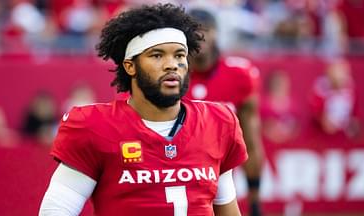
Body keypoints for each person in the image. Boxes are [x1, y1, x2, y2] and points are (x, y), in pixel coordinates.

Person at [39, 3, 248, 216]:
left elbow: (227, 209)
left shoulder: (218, 122)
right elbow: (56, 210)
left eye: (179, 55)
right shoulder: (95, 127)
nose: (171, 65)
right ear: (130, 66)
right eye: (157, 55)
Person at [186, 8, 263, 216]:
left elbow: (251, 141)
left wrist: (255, 202)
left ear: (216, 33)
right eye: (193, 30)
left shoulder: (240, 74)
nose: (199, 35)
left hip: (222, 175)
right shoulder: (174, 75)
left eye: (205, 29)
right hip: (181, 172)